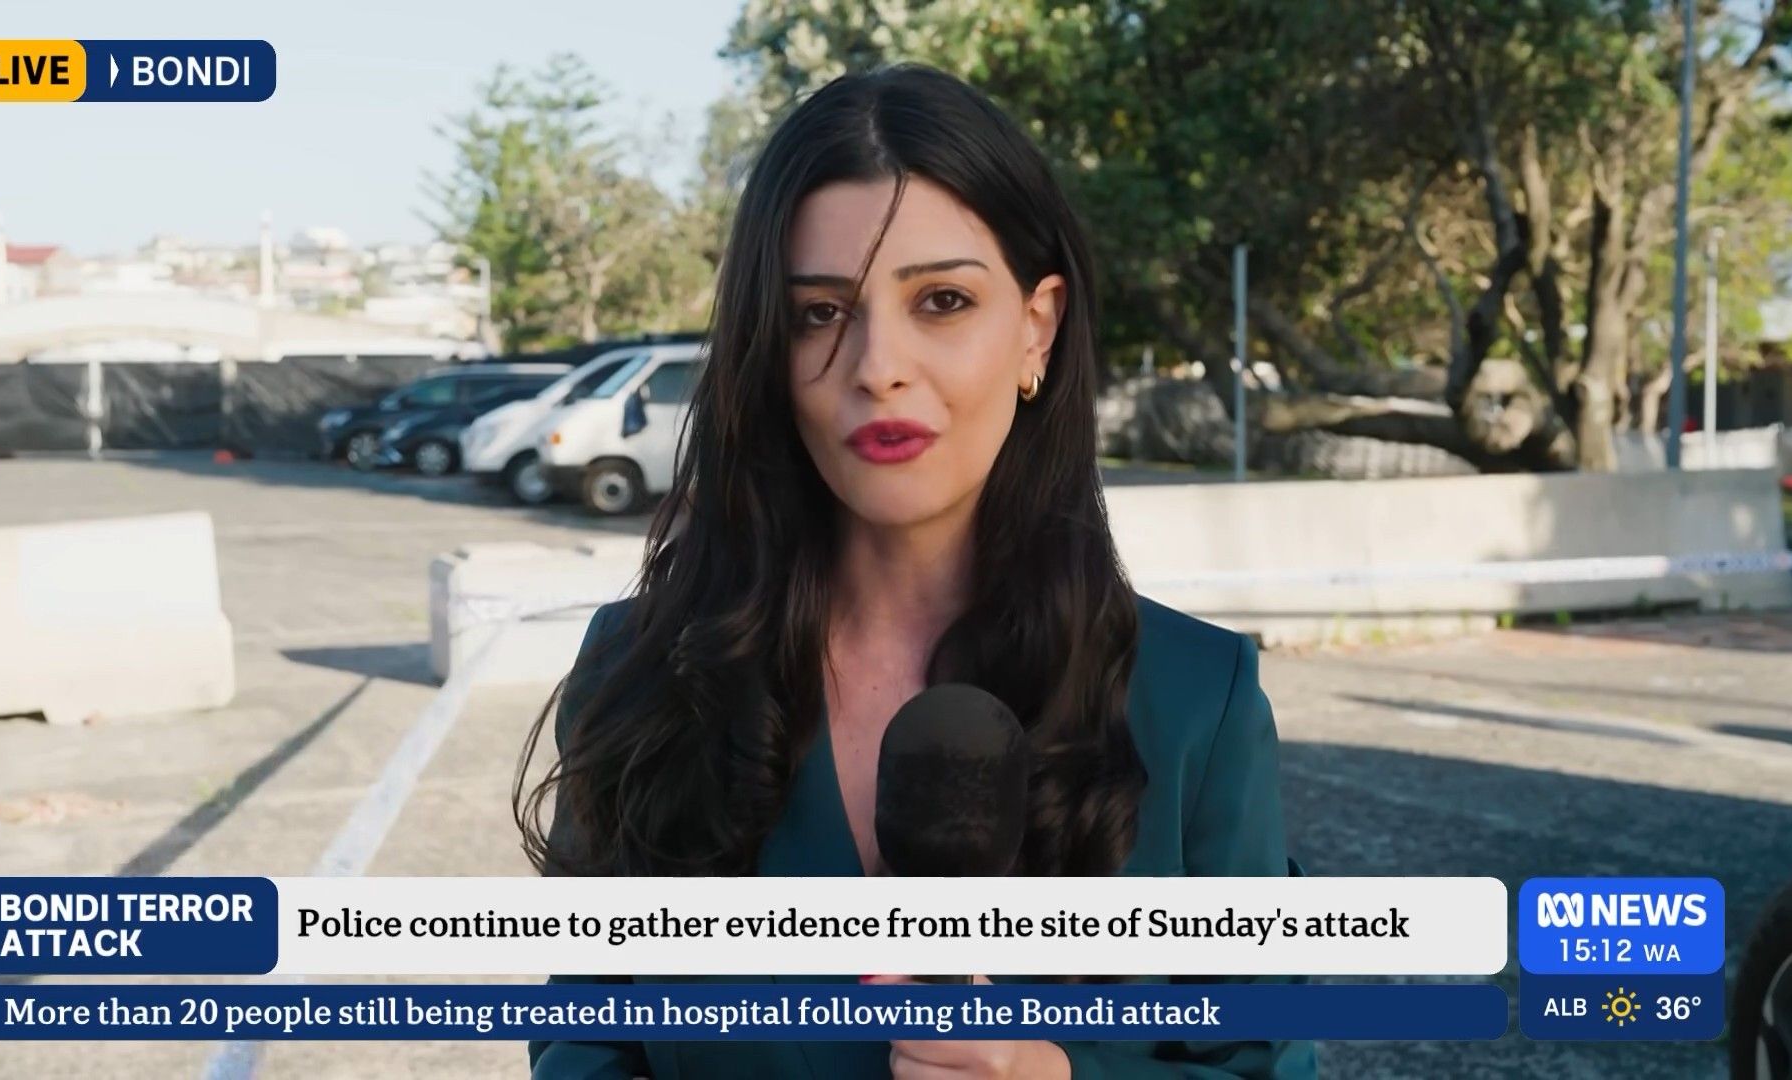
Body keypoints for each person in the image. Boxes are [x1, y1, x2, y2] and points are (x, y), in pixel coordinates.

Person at [517, 63, 1315, 1080]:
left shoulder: (1199, 699)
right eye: (820, 313)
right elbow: (584, 1044)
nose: (877, 367)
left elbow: (1264, 1061)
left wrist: (1053, 1073)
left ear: (1036, 328)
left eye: (942, 300)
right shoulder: (637, 670)